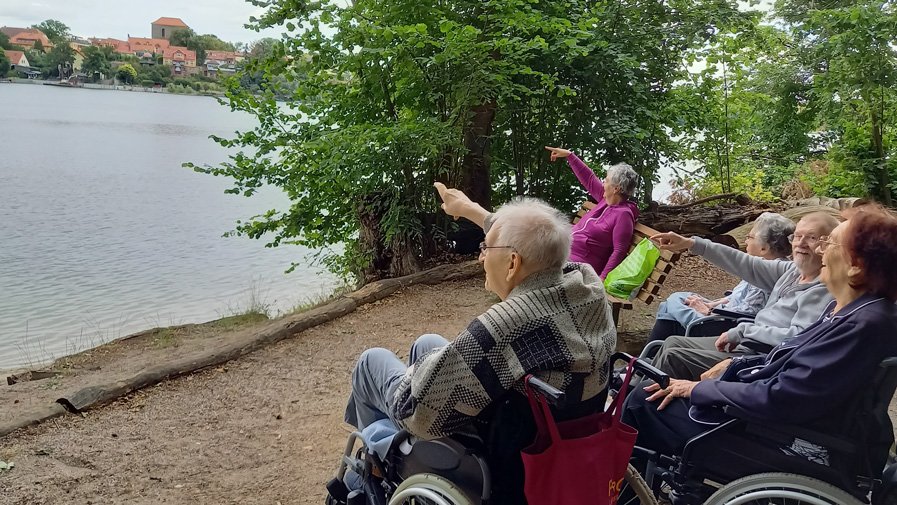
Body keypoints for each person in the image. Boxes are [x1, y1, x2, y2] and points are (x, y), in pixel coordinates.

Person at [344, 182, 617, 439]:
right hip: (553, 431)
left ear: (512, 264)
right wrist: (467, 208)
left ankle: (378, 459)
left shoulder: (505, 326)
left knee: (371, 362)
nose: (481, 256)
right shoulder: (588, 286)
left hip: (492, 452)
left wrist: (413, 379)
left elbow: (414, 413)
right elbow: (534, 243)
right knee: (426, 344)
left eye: (486, 247)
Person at [623, 205, 897, 457]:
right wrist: (737, 366)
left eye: (829, 243)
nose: (821, 251)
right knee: (654, 392)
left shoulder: (860, 324)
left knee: (643, 402)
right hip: (774, 413)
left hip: (783, 439)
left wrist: (701, 390)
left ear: (856, 267)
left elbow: (782, 396)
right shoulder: (848, 311)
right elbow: (792, 364)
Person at [647, 212, 839, 380]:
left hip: (764, 356)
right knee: (672, 342)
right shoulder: (793, 271)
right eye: (797, 236)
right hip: (750, 342)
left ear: (827, 245)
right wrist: (692, 243)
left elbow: (798, 337)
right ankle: (630, 389)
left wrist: (743, 331)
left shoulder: (825, 289)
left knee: (674, 356)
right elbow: (745, 263)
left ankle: (632, 407)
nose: (800, 244)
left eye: (811, 238)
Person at [648, 212, 795, 342]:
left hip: (720, 324)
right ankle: (643, 363)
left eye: (749, 237)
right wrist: (710, 304)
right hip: (720, 315)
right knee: (678, 299)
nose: (745, 241)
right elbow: (738, 296)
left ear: (765, 248)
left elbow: (748, 312)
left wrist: (707, 311)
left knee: (671, 302)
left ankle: (641, 364)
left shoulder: (770, 273)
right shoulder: (771, 267)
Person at [545, 146, 639, 279]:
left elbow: (619, 251)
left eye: (606, 180)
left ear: (616, 188)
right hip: (562, 252)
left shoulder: (623, 215)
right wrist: (570, 156)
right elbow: (588, 178)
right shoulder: (604, 199)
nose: (603, 183)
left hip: (578, 265)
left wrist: (602, 279)